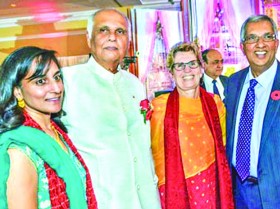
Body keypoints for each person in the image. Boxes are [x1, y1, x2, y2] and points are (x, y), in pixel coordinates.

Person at [60, 8, 161, 209]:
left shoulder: (135, 84)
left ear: (128, 41)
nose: (112, 37)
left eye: (120, 31)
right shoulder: (67, 81)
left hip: (147, 200)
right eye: (103, 30)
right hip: (101, 200)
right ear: (89, 38)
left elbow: (143, 145)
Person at [0, 46, 97, 209]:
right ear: (17, 92)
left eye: (57, 77)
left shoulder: (56, 132)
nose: (57, 88)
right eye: (41, 81)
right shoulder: (20, 151)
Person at [225, 14, 280, 209]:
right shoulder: (233, 83)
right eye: (252, 38)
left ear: (276, 43)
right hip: (238, 194)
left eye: (267, 37)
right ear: (243, 46)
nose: (260, 44)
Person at [151, 42, 234, 209]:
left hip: (212, 189)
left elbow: (224, 148)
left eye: (192, 64)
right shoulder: (159, 107)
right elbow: (149, 153)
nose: (187, 70)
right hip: (175, 191)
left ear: (201, 68)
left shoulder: (215, 104)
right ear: (171, 73)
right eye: (179, 66)